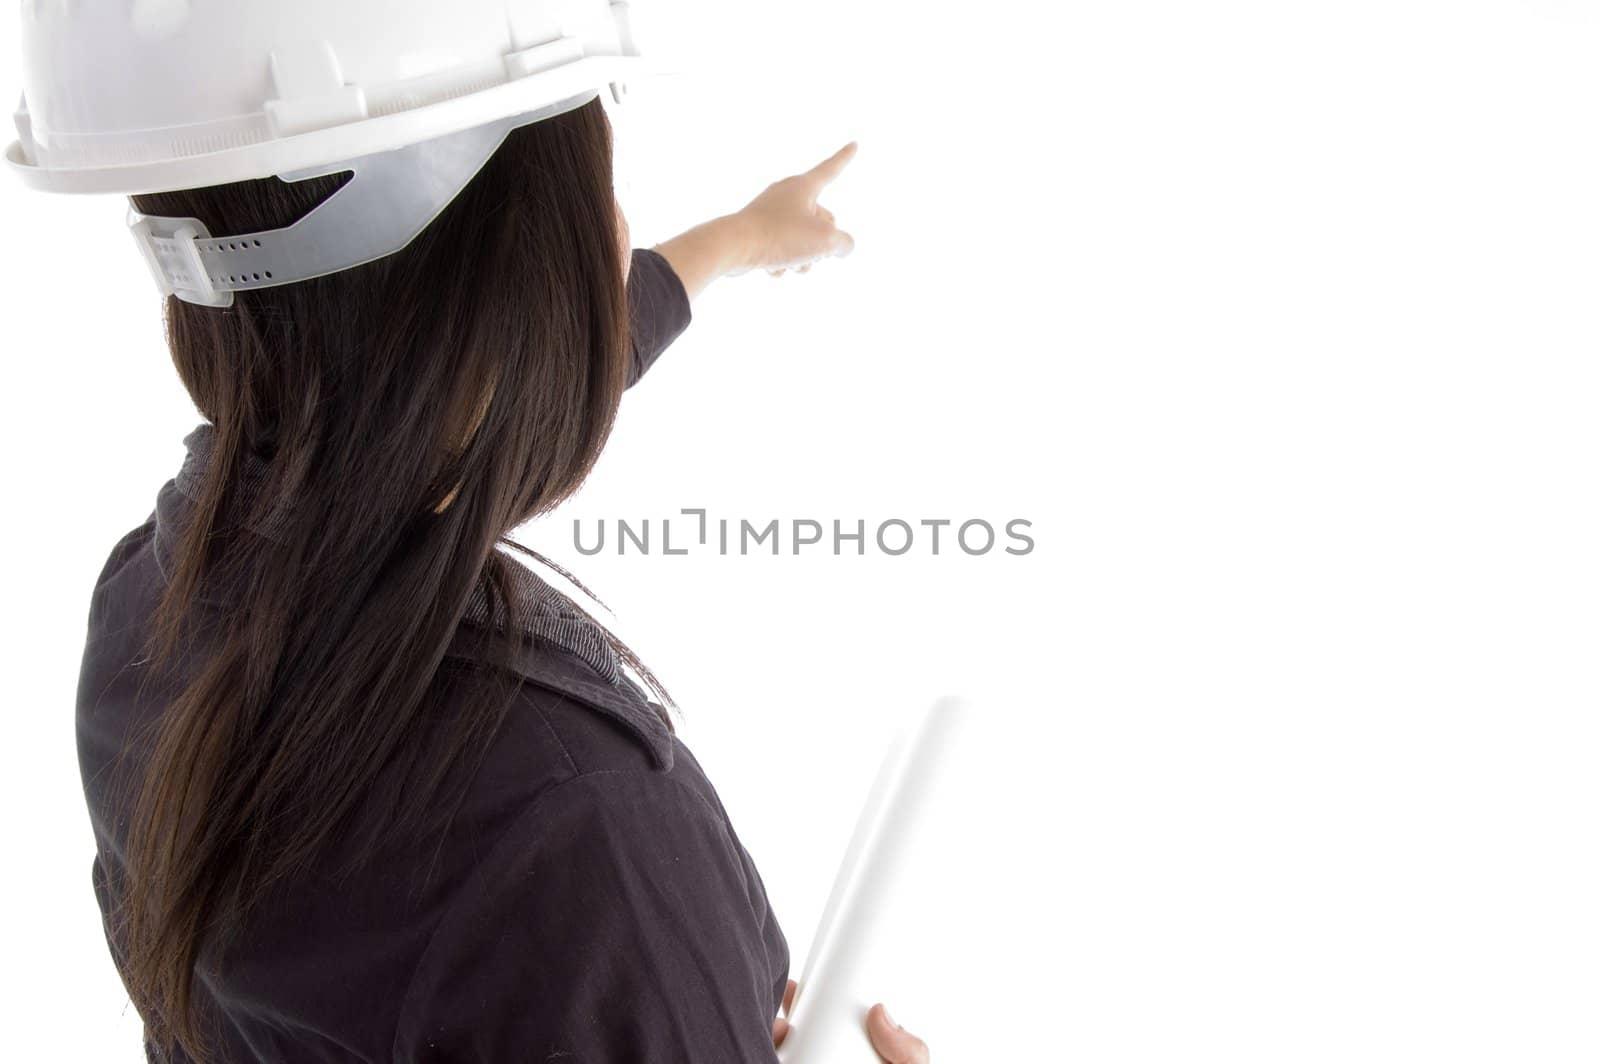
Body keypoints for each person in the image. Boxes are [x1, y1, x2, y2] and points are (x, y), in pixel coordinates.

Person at [28, 7, 932, 1060]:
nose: (619, 237)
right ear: (503, 292)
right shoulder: (579, 844)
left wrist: (731, 241)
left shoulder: (150, 606)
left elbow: (465, 383)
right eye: (602, 189)